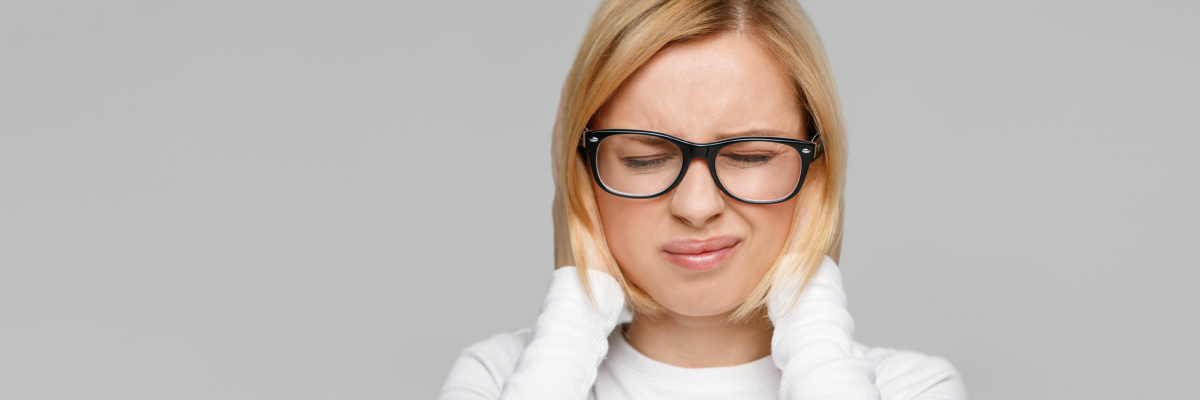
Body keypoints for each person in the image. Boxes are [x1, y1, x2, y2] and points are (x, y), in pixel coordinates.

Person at [440, 0, 966, 398]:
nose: (696, 207)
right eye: (644, 159)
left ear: (816, 170)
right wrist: (575, 311)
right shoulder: (501, 375)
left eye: (750, 156)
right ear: (580, 170)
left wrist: (811, 306)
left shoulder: (910, 386)